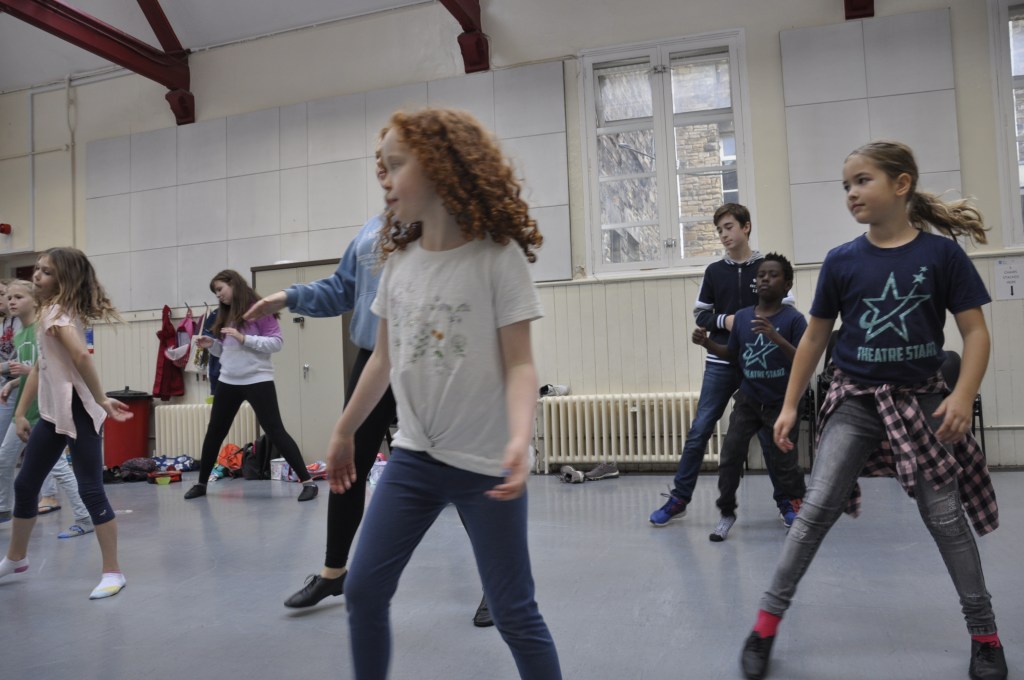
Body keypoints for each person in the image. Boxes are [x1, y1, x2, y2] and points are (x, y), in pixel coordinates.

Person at [740, 141, 1007, 680]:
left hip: (923, 401)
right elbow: (815, 339)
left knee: (946, 517)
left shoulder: (941, 256)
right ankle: (765, 625)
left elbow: (975, 333)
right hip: (855, 401)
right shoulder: (842, 260)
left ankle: (985, 635)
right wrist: (790, 405)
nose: (852, 193)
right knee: (816, 508)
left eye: (863, 181)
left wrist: (961, 395)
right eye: (846, 185)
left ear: (901, 184)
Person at [327, 108, 561, 679]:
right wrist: (344, 430)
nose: (383, 179)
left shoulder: (496, 258)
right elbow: (381, 359)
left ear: (440, 167)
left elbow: (521, 363)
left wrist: (520, 439)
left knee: (513, 611)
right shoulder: (397, 264)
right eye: (381, 167)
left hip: (486, 467)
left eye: (395, 165)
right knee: (363, 590)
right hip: (414, 459)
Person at [247, 143, 494, 626]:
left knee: (457, 472)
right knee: (347, 466)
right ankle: (333, 571)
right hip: (374, 360)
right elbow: (342, 288)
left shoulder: (449, 221)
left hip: (432, 363)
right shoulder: (371, 229)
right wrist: (287, 296)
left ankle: (496, 580)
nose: (381, 168)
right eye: (378, 161)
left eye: (393, 160)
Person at [650, 203, 798, 527]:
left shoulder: (768, 267)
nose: (723, 234)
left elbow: (787, 308)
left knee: (771, 435)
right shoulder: (714, 272)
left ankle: (787, 501)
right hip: (721, 362)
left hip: (759, 365)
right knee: (700, 429)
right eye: (719, 230)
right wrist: (727, 320)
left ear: (746, 227)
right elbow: (701, 314)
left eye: (729, 227)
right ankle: (679, 499)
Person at [0, 248, 132, 599]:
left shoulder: (56, 313)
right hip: (53, 413)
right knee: (26, 484)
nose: (37, 275)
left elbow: (80, 355)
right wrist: (20, 413)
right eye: (37, 269)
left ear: (64, 279)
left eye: (46, 272)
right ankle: (17, 558)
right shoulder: (49, 311)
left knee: (91, 489)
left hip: (79, 410)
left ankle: (113, 571)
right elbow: (40, 368)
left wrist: (101, 398)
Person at [692, 254, 807, 542]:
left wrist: (775, 337)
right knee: (730, 456)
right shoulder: (743, 317)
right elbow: (732, 354)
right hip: (748, 399)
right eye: (761, 275)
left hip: (781, 403)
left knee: (784, 463)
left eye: (773, 275)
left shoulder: (794, 319)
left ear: (787, 284)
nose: (765, 279)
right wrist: (708, 343)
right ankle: (726, 512)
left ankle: (795, 506)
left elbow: (804, 360)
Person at [182, 270, 317, 502]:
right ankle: (201, 484)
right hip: (228, 380)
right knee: (215, 431)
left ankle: (308, 482)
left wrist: (244, 338)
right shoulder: (225, 313)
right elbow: (227, 350)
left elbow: (276, 342)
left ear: (233, 283)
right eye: (215, 292)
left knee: (275, 430)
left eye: (220, 289)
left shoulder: (259, 309)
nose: (218, 295)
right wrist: (211, 345)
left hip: (257, 379)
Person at [0, 280, 94, 538]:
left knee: (58, 467)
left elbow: (49, 370)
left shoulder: (42, 329)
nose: (11, 301)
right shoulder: (20, 334)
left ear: (34, 300)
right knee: (5, 458)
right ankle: (4, 509)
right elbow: (31, 374)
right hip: (26, 410)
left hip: (45, 410)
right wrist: (12, 384)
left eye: (18, 297)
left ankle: (84, 516)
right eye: (9, 297)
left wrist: (27, 373)